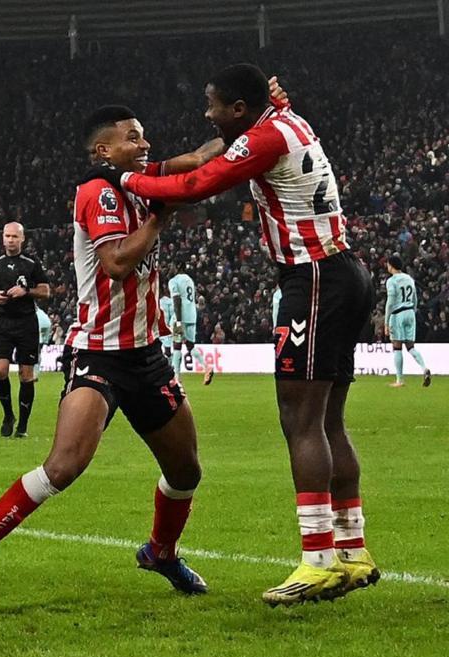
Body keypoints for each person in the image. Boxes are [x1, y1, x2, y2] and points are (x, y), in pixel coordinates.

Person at [97, 64, 379, 605]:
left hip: (313, 277)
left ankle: (319, 560)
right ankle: (352, 550)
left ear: (240, 110)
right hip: (345, 272)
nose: (209, 115)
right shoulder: (286, 121)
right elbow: (215, 151)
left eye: (214, 106)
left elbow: (198, 184)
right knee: (328, 421)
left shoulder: (265, 137)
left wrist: (127, 180)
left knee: (300, 420)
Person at [0, 105, 223, 615]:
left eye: (143, 136)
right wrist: (160, 216)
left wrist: (249, 125)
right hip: (98, 353)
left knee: (186, 470)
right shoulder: (99, 192)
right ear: (104, 150)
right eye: (132, 138)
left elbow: (199, 158)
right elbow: (116, 263)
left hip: (146, 355)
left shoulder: (142, 179)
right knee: (64, 466)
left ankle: (161, 553)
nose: (144, 145)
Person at [0, 222, 50, 437]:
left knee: (26, 375)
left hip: (27, 323)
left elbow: (45, 291)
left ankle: (23, 427)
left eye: (14, 236)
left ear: (22, 239)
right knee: (0, 371)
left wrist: (26, 291)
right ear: (3, 238)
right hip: (3, 322)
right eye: (7, 236)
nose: (10, 240)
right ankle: (8, 415)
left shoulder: (31, 263)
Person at [384, 256, 431, 387]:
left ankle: (400, 380)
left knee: (397, 347)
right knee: (410, 347)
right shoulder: (409, 278)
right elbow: (415, 298)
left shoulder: (391, 281)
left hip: (398, 314)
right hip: (410, 312)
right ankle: (424, 368)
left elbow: (390, 301)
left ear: (391, 266)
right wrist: (412, 311)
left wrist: (386, 322)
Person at [167, 268, 214, 385]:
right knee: (190, 346)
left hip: (181, 316)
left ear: (177, 267)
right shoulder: (190, 280)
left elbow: (177, 300)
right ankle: (206, 367)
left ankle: (176, 377)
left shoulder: (173, 281)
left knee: (177, 346)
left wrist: (178, 321)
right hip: (192, 315)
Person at [35, 305, 51, 379]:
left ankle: (34, 373)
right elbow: (48, 325)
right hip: (39, 338)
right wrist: (46, 339)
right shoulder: (42, 314)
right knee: (37, 355)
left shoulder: (37, 314)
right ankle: (35, 373)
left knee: (35, 355)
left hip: (36, 338)